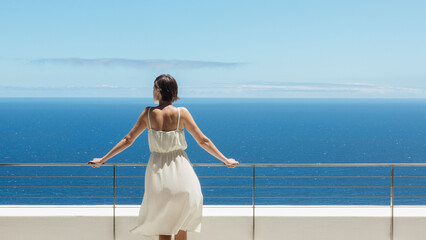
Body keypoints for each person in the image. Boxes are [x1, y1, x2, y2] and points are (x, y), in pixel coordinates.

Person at [87, 74, 239, 240]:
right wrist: (225, 159)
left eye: (154, 88)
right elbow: (203, 141)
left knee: (164, 226)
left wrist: (103, 159)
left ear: (158, 91)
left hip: (158, 173)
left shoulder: (148, 114)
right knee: (182, 225)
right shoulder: (182, 113)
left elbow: (128, 139)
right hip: (182, 171)